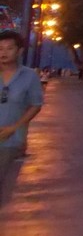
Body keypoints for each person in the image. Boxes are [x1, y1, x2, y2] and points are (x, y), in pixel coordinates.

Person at [0, 29, 44, 195]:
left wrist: (15, 127)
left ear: (19, 51)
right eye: (0, 48)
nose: (4, 53)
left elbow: (35, 105)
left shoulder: (29, 76)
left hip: (10, 141)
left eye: (9, 48)